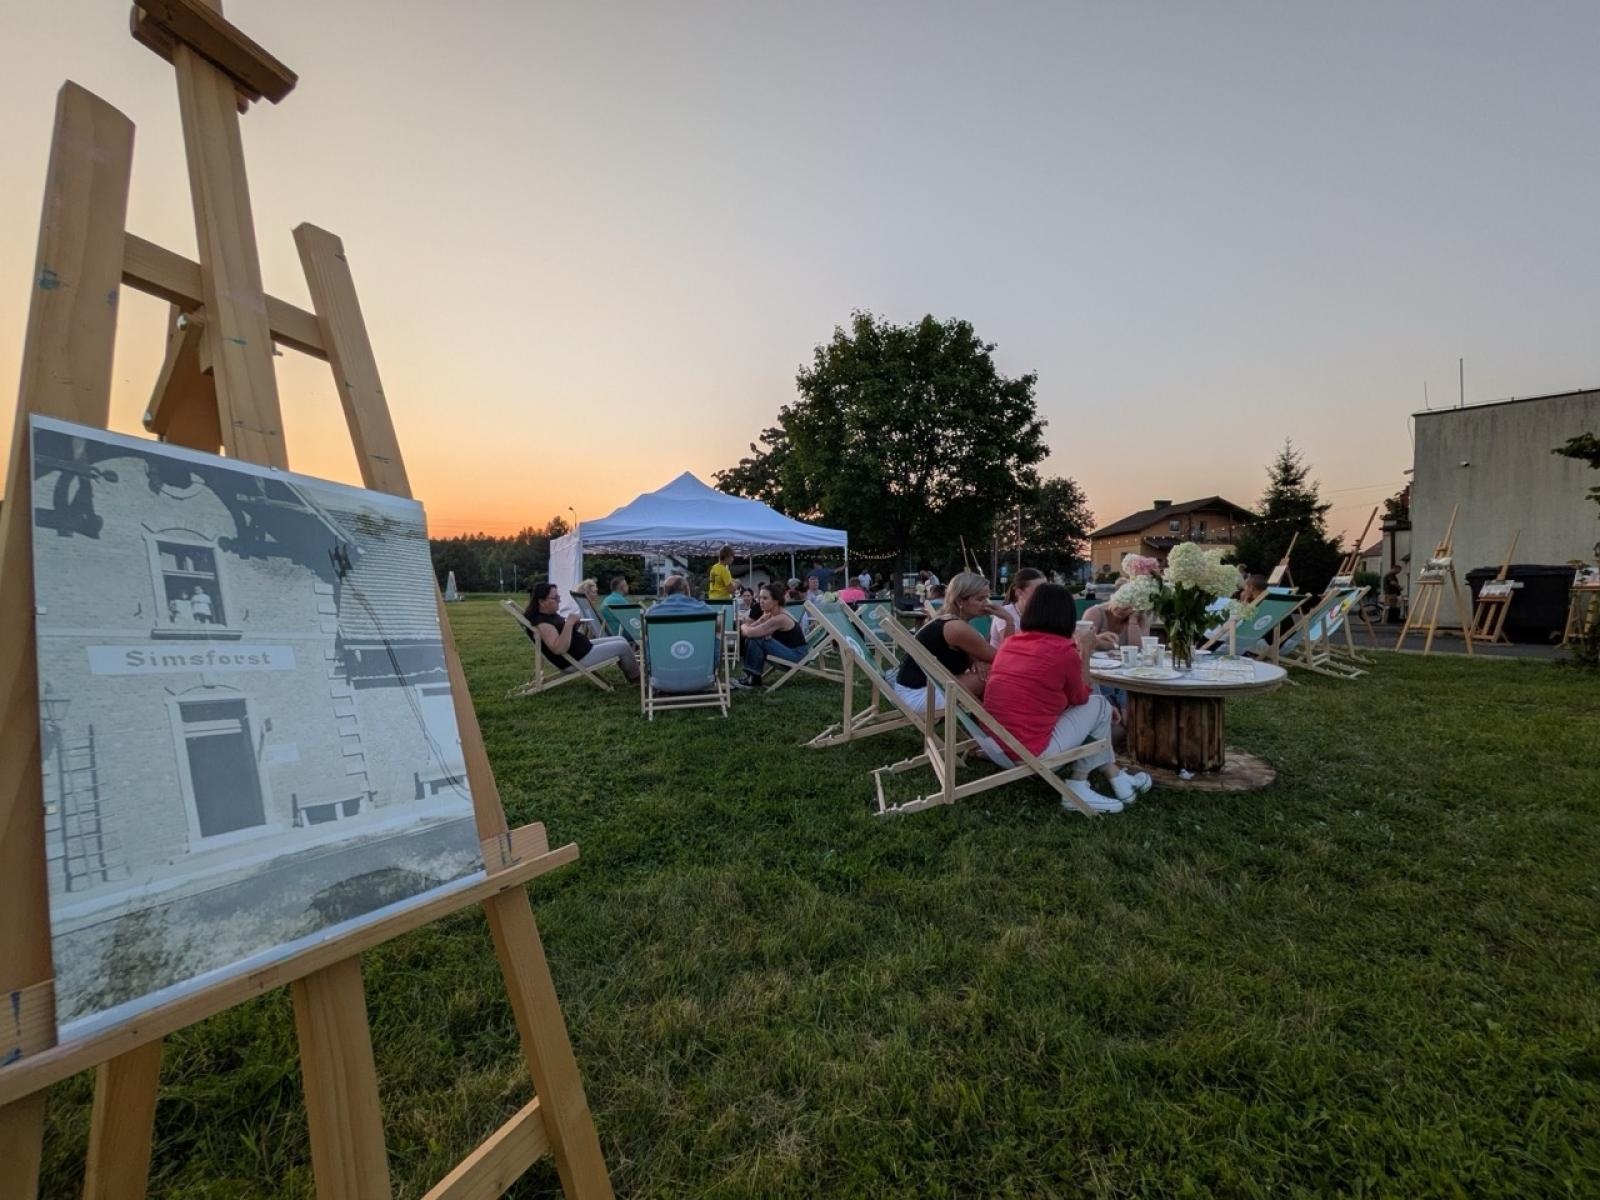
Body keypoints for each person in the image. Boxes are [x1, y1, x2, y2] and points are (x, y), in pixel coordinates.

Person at [981, 583, 1150, 814]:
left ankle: (1118, 777)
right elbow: (1082, 697)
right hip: (1028, 751)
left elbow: (1045, 691)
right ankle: (1078, 785)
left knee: (1098, 710)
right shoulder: (1063, 651)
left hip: (996, 745)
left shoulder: (1011, 643)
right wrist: (1086, 652)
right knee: (1099, 704)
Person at [891, 572, 1009, 711]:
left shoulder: (948, 620)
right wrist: (1009, 620)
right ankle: (997, 726)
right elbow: (1004, 660)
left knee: (991, 673)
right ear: (960, 602)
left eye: (988, 597)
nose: (987, 603)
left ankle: (991, 725)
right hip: (917, 696)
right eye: (981, 599)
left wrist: (978, 661)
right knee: (995, 676)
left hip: (916, 688)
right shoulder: (956, 628)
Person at [523, 582, 639, 682]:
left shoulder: (548, 615)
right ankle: (636, 678)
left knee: (621, 639)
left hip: (581, 650)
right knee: (623, 646)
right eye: (555, 598)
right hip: (575, 659)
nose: (559, 600)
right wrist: (569, 623)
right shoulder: (543, 623)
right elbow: (558, 649)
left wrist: (572, 625)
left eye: (558, 597)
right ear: (542, 601)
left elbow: (562, 634)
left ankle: (631, 674)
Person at [733, 583, 809, 688]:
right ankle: (752, 677)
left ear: (776, 601)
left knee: (757, 638)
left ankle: (753, 679)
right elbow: (750, 628)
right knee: (757, 636)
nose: (761, 601)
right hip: (789, 651)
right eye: (760, 598)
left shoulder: (780, 618)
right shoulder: (769, 614)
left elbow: (749, 632)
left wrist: (743, 626)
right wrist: (748, 628)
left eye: (765, 598)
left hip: (797, 657)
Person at [990, 567, 1045, 648]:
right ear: (1019, 592)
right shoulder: (1006, 612)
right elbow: (1009, 648)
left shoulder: (1042, 613)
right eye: (1038, 592)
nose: (1044, 595)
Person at [1083, 592, 1152, 652]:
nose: (1122, 609)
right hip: (1095, 664)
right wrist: (1097, 639)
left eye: (1128, 607)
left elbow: (1139, 650)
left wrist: (1133, 621)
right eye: (1120, 603)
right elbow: (1080, 643)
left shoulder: (1140, 617)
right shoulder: (1095, 613)